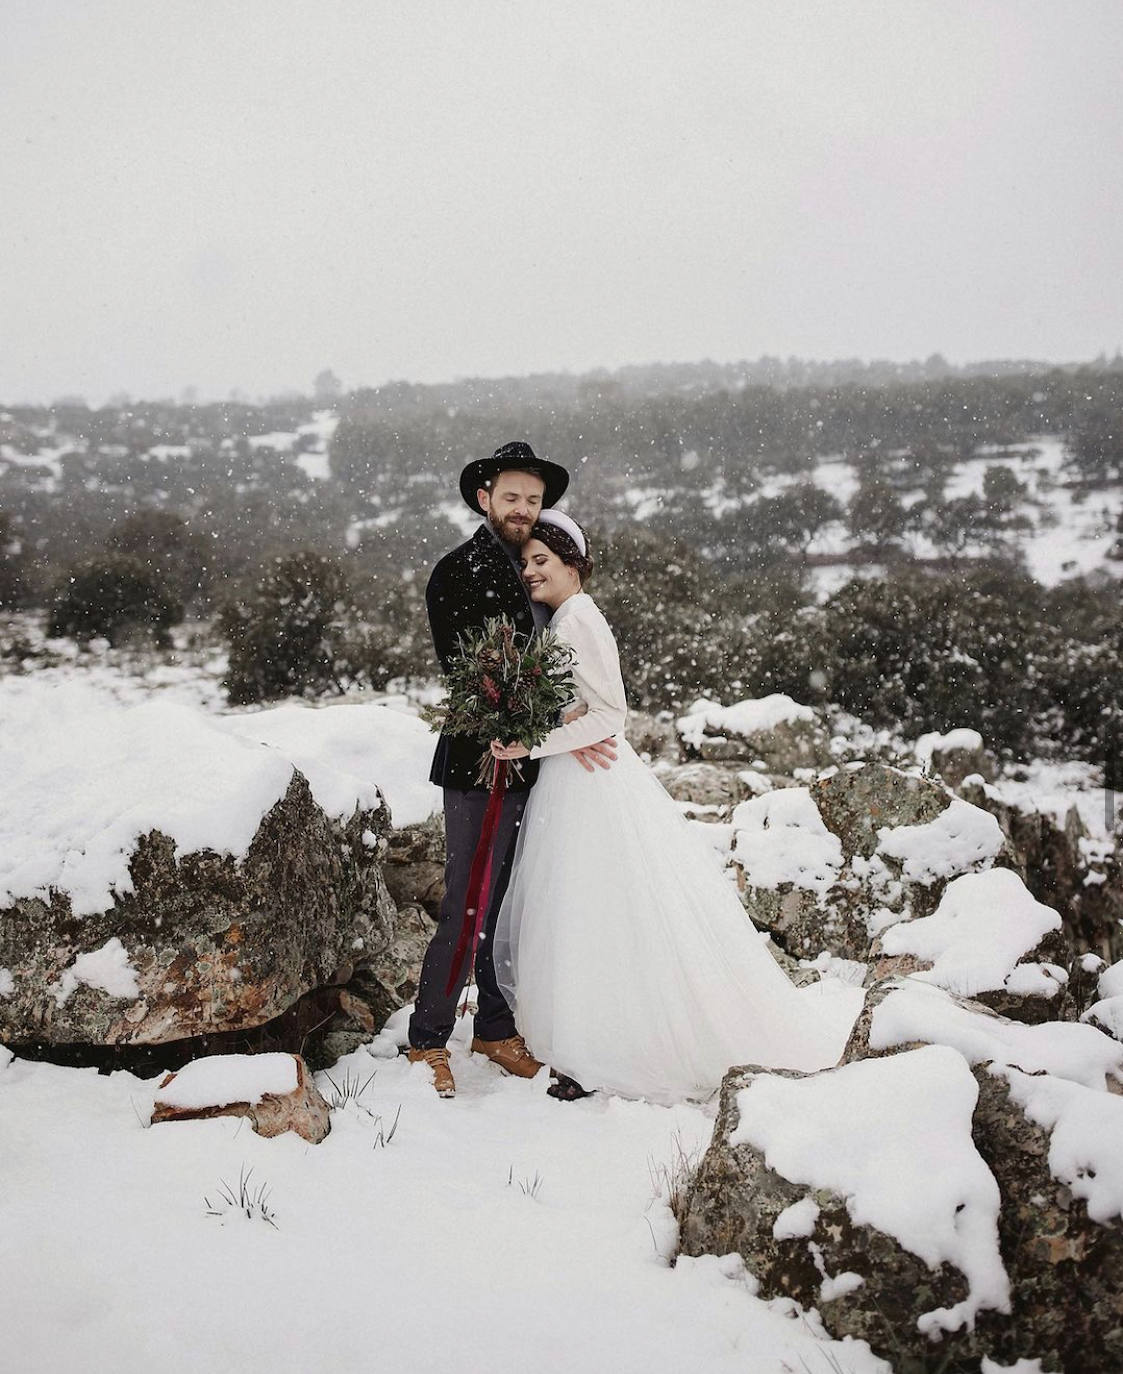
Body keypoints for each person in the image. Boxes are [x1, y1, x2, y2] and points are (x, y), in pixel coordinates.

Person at [491, 512, 863, 1104]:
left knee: (601, 911)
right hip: (571, 778)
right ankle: (585, 1038)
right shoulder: (565, 618)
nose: (530, 571)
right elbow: (582, 709)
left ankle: (609, 1047)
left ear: (574, 567)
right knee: (580, 909)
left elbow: (612, 714)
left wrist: (532, 741)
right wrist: (557, 725)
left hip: (592, 788)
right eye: (526, 562)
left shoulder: (581, 618)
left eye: (542, 561)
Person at [407, 441, 615, 1099]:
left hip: (530, 764)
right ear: (483, 497)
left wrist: (566, 730)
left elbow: (557, 667)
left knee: (510, 909)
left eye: (533, 500)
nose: (523, 509)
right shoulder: (459, 570)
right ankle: (426, 1040)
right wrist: (539, 728)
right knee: (465, 907)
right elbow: (474, 674)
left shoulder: (531, 569)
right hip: (479, 763)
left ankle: (495, 1029)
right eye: (512, 497)